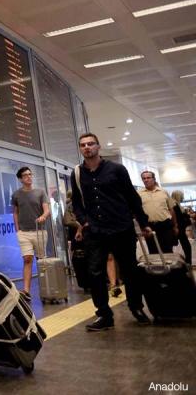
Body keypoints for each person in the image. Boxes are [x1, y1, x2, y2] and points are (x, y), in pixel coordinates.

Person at [71, 133, 153, 332]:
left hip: (121, 227)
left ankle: (136, 307)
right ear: (80, 149)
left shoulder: (117, 169)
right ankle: (104, 315)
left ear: (98, 147)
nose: (87, 147)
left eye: (91, 144)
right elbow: (76, 202)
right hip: (95, 231)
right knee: (95, 273)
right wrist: (84, 221)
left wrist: (143, 223)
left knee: (130, 270)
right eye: (83, 145)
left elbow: (132, 197)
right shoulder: (77, 173)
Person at [10, 167, 50, 299]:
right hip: (24, 233)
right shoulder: (16, 195)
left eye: (30, 174)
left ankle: (47, 288)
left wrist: (43, 216)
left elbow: (47, 210)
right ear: (20, 179)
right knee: (27, 259)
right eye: (25, 175)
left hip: (39, 231)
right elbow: (15, 212)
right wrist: (17, 229)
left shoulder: (40, 192)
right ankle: (26, 290)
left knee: (41, 261)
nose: (29, 177)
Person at [139, 171, 177, 254]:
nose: (146, 180)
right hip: (149, 227)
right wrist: (142, 227)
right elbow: (138, 212)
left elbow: (171, 209)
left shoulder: (163, 192)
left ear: (154, 179)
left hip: (165, 225)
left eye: (148, 178)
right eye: (144, 178)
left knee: (168, 250)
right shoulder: (139, 194)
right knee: (153, 252)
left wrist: (175, 226)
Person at [171, 190, 192, 265]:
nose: (183, 198)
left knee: (184, 245)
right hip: (178, 228)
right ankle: (188, 262)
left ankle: (187, 261)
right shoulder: (175, 205)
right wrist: (188, 220)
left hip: (178, 228)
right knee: (186, 246)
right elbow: (179, 218)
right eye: (182, 196)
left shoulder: (174, 204)